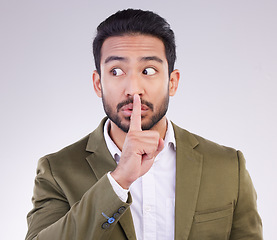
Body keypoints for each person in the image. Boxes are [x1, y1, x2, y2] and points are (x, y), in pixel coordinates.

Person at [25, 9, 262, 240]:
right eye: (116, 71)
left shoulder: (229, 167)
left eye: (148, 70)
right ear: (98, 84)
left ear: (172, 82)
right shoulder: (57, 171)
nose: (133, 89)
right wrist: (118, 182)